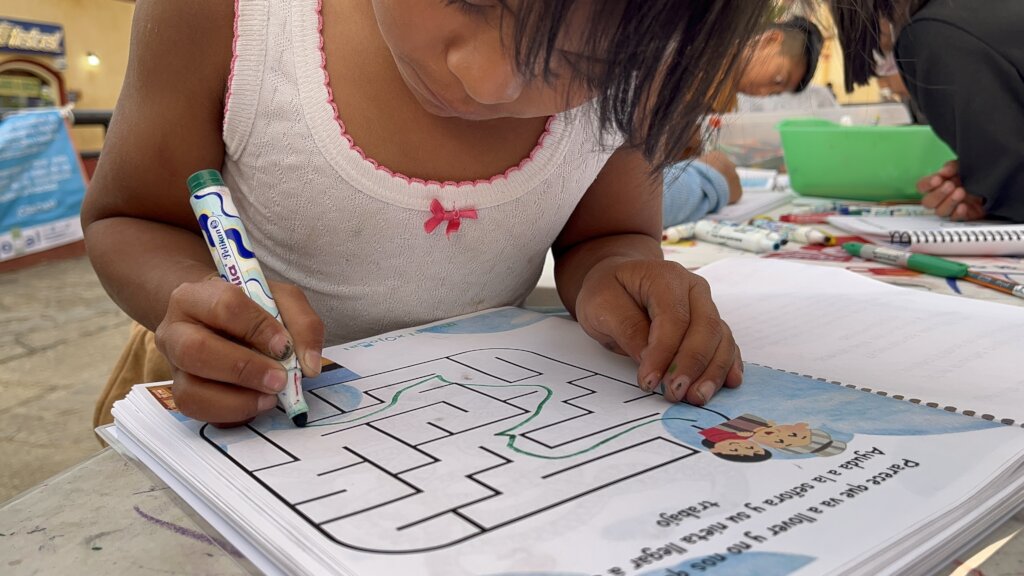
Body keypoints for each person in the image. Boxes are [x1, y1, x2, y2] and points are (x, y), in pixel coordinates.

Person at [83, 0, 775, 427]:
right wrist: (195, 301)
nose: (487, 78)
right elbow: (129, 217)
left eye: (577, 58)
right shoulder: (229, 16)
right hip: (224, 390)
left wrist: (619, 276)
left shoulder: (639, 68)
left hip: (477, 429)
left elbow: (608, 235)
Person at [829, 0, 1024, 222]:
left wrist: (998, 187)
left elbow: (1013, 181)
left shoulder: (934, 34)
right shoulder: (977, 15)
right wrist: (986, 185)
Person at [663, 16, 824, 228]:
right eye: (777, 79)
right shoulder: (682, 60)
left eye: (775, 93)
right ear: (770, 40)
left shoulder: (718, 97)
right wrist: (711, 179)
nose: (764, 93)